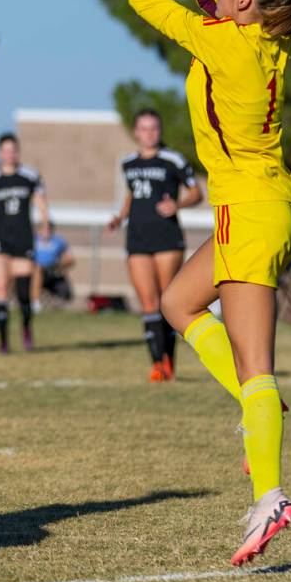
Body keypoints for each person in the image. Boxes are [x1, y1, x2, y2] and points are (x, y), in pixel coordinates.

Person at [130, 0, 291, 565]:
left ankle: (271, 494)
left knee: (257, 368)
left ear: (241, 4)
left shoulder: (222, 40)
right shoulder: (267, 34)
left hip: (250, 210)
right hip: (271, 203)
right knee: (178, 302)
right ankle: (256, 410)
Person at [107, 109, 202, 382]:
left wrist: (178, 204)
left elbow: (196, 192)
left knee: (166, 301)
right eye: (144, 129)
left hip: (166, 237)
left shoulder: (172, 159)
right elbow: (131, 196)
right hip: (137, 236)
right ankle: (157, 364)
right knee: (147, 302)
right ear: (136, 132)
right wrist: (119, 217)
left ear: (160, 131)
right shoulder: (128, 163)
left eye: (154, 128)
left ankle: (169, 361)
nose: (149, 133)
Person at [0, 133, 51, 353]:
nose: (9, 154)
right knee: (1, 288)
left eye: (13, 150)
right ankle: (3, 341)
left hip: (23, 239)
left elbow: (41, 203)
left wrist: (45, 224)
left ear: (18, 152)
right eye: (5, 150)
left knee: (24, 294)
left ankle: (26, 327)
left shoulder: (30, 176)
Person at [30, 222, 75, 311]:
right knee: (37, 271)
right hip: (34, 271)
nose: (46, 232)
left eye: (48, 229)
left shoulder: (59, 241)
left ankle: (55, 304)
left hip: (52, 271)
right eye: (43, 229)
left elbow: (70, 259)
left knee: (66, 295)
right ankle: (35, 303)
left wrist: (59, 264)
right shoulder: (32, 240)